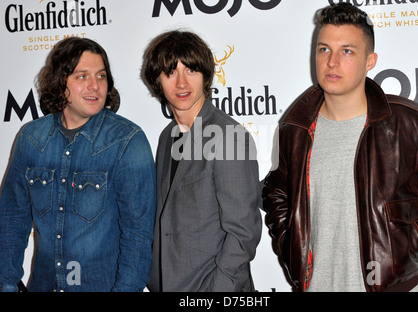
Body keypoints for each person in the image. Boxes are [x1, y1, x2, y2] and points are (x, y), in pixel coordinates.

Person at [263, 3, 418, 292]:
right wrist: (289, 242)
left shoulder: (409, 124)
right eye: (324, 49)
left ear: (370, 61)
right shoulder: (295, 129)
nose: (332, 62)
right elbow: (276, 192)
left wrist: (409, 243)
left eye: (347, 51)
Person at [0, 37, 156, 292]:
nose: (95, 86)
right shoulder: (30, 139)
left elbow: (138, 237)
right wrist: (6, 285)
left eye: (102, 76)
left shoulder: (127, 142)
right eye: (82, 76)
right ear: (61, 82)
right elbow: (11, 222)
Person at [142, 30, 262, 292]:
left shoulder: (228, 136)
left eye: (191, 71)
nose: (182, 83)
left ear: (206, 76)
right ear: (157, 81)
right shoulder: (166, 138)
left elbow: (243, 233)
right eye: (171, 72)